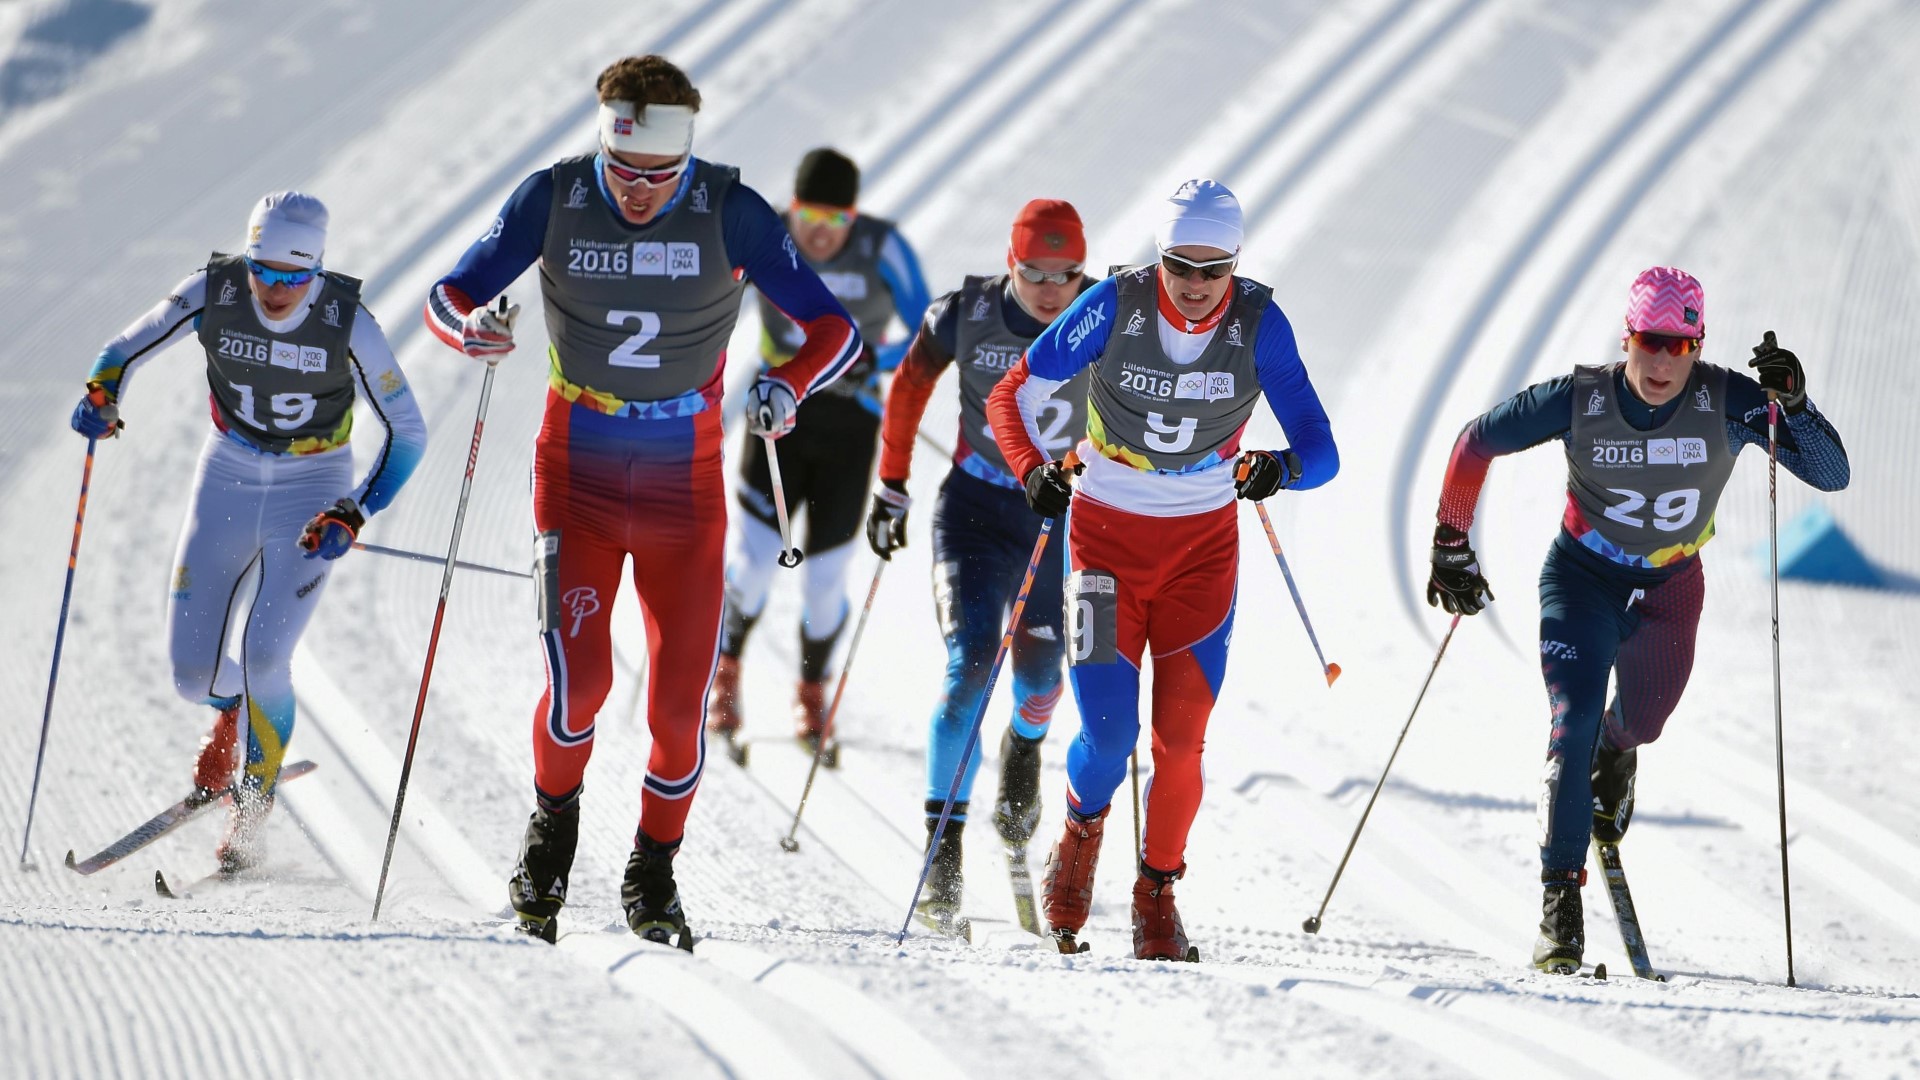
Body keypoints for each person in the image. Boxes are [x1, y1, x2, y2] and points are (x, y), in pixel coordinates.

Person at [423, 55, 860, 948]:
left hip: (684, 484)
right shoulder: (555, 196)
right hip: (576, 467)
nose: (636, 192)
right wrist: (468, 328)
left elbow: (834, 328)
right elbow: (448, 291)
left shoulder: (730, 211)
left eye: (657, 177)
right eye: (622, 171)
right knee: (579, 687)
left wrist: (789, 383)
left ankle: (653, 874)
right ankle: (551, 839)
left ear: (685, 157)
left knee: (674, 711)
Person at [1421, 266, 1850, 973]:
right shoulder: (1583, 397)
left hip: (1671, 590)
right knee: (1573, 717)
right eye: (1649, 342)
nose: (1660, 362)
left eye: (1679, 347)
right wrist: (1451, 539)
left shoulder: (1728, 400)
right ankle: (1559, 903)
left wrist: (1796, 404)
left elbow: (1830, 474)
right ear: (1628, 337)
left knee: (1641, 722)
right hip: (1581, 578)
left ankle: (1618, 749)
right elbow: (1477, 441)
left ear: (1699, 345)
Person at [985, 179, 1338, 959]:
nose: (1198, 285)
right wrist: (1028, 469)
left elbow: (1322, 450)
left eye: (1216, 269)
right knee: (1109, 736)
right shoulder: (1115, 305)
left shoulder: (1260, 324)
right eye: (1182, 264)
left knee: (1182, 742)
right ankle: (1078, 835)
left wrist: (1278, 470)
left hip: (1200, 555)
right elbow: (1012, 394)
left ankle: (1157, 893)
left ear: (1237, 265)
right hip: (1104, 543)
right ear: (1161, 255)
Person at [69, 191, 427, 872]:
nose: (275, 289)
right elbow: (119, 350)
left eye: (295, 277)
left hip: (312, 485)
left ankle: (251, 815)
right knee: (187, 674)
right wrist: (99, 396)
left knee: (267, 655)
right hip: (228, 473)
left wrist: (353, 510)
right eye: (263, 269)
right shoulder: (215, 289)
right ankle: (235, 714)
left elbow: (408, 431)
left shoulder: (348, 320)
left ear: (318, 270)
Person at [865, 198, 1094, 932]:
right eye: (1036, 273)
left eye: (1067, 274)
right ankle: (943, 853)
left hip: (1061, 523)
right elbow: (907, 388)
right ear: (1011, 263)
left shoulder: (1105, 312)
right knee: (969, 667)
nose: (1052, 289)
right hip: (974, 510)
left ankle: (1023, 746)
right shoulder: (964, 312)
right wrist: (892, 485)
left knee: (1041, 679)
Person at [707, 148, 929, 759]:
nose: (819, 235)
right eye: (809, 217)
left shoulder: (882, 247)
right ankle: (724, 676)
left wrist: (872, 360)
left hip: (850, 422)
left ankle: (811, 693)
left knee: (824, 581)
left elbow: (924, 328)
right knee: (752, 564)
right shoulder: (766, 232)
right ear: (792, 207)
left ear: (853, 218)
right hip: (778, 417)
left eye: (836, 223)